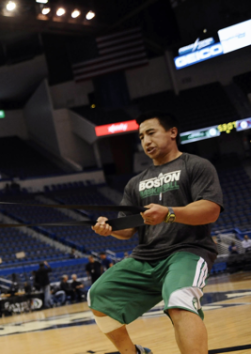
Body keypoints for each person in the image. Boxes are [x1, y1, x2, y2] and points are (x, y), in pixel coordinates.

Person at [90, 112, 223, 354]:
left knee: (180, 302)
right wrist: (108, 229)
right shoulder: (135, 183)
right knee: (98, 295)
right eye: (141, 137)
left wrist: (169, 213)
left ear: (172, 132)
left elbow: (211, 210)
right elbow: (127, 229)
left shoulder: (196, 165)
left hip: (187, 251)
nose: (146, 141)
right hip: (145, 257)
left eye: (151, 133)